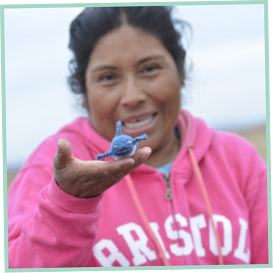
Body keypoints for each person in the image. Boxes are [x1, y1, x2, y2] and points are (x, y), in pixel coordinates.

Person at [8, 6, 268, 268]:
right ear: (83, 92)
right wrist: (68, 202)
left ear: (181, 70)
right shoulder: (48, 170)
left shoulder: (238, 160)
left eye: (150, 69)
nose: (132, 97)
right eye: (108, 77)